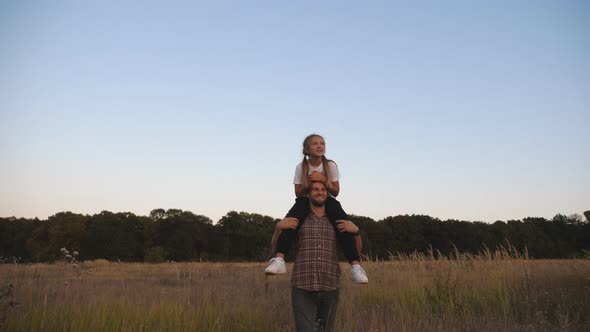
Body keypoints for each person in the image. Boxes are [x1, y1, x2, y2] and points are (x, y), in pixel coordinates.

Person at [265, 134, 368, 284]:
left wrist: (322, 179)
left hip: (329, 200)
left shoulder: (330, 165)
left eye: (322, 143)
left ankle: (355, 267)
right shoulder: (301, 167)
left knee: (344, 227)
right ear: (307, 149)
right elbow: (298, 192)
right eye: (315, 144)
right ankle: (279, 260)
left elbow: (336, 191)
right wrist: (309, 182)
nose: (319, 146)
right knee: (290, 223)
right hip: (305, 200)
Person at [278, 180, 361, 332]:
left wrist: (356, 231)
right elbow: (275, 247)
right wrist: (278, 228)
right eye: (315, 189)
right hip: (303, 286)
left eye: (323, 189)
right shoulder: (299, 217)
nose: (320, 192)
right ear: (308, 193)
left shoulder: (336, 219)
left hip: (330, 286)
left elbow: (357, 250)